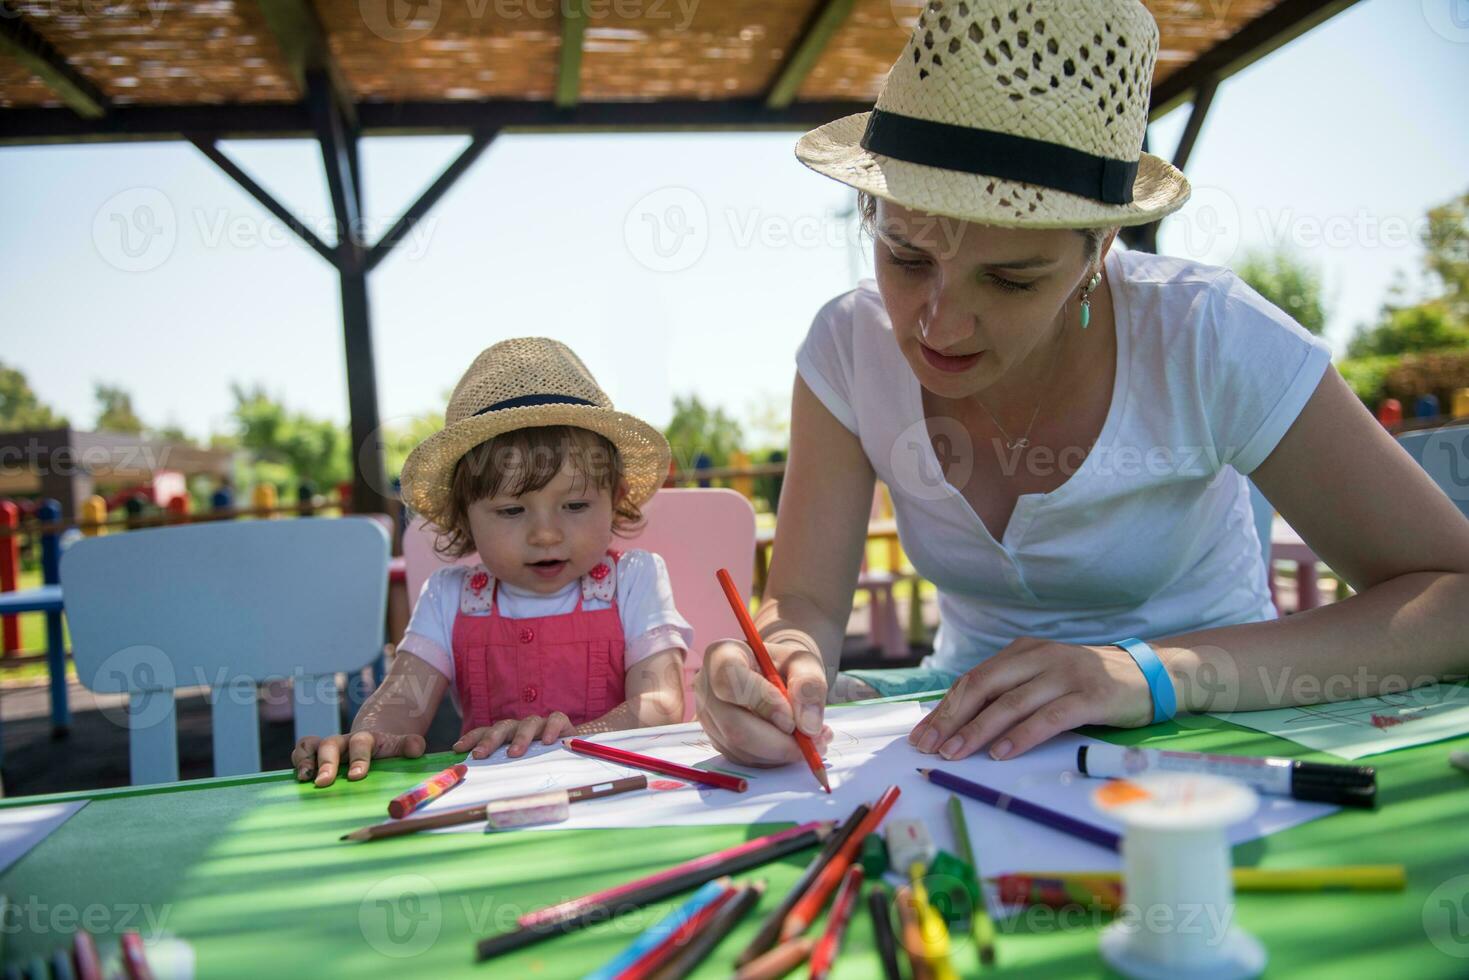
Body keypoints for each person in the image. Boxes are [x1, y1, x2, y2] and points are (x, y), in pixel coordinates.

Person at [695, 0, 1469, 768]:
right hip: (966, 734)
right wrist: (775, 658)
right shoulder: (845, 346)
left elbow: (1454, 602)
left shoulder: (1210, 334)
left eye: (1009, 279)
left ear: (1099, 250)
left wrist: (1155, 672)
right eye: (906, 258)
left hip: (1221, 727)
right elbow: (805, 605)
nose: (939, 325)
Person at [294, 337, 693, 786]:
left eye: (576, 505)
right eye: (511, 511)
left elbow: (660, 703)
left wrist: (571, 741)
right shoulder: (451, 598)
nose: (546, 534)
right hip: (486, 811)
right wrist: (370, 735)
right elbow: (404, 700)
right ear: (464, 516)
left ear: (614, 499)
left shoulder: (634, 580)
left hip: (619, 797)